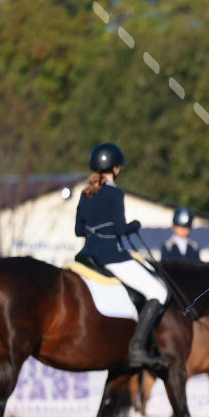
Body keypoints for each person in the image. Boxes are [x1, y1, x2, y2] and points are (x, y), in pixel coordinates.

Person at [75, 142, 168, 369]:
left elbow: (79, 231)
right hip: (110, 255)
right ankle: (137, 348)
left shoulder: (84, 193)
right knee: (159, 292)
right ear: (115, 168)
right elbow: (118, 230)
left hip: (86, 255)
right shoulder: (115, 193)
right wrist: (134, 225)